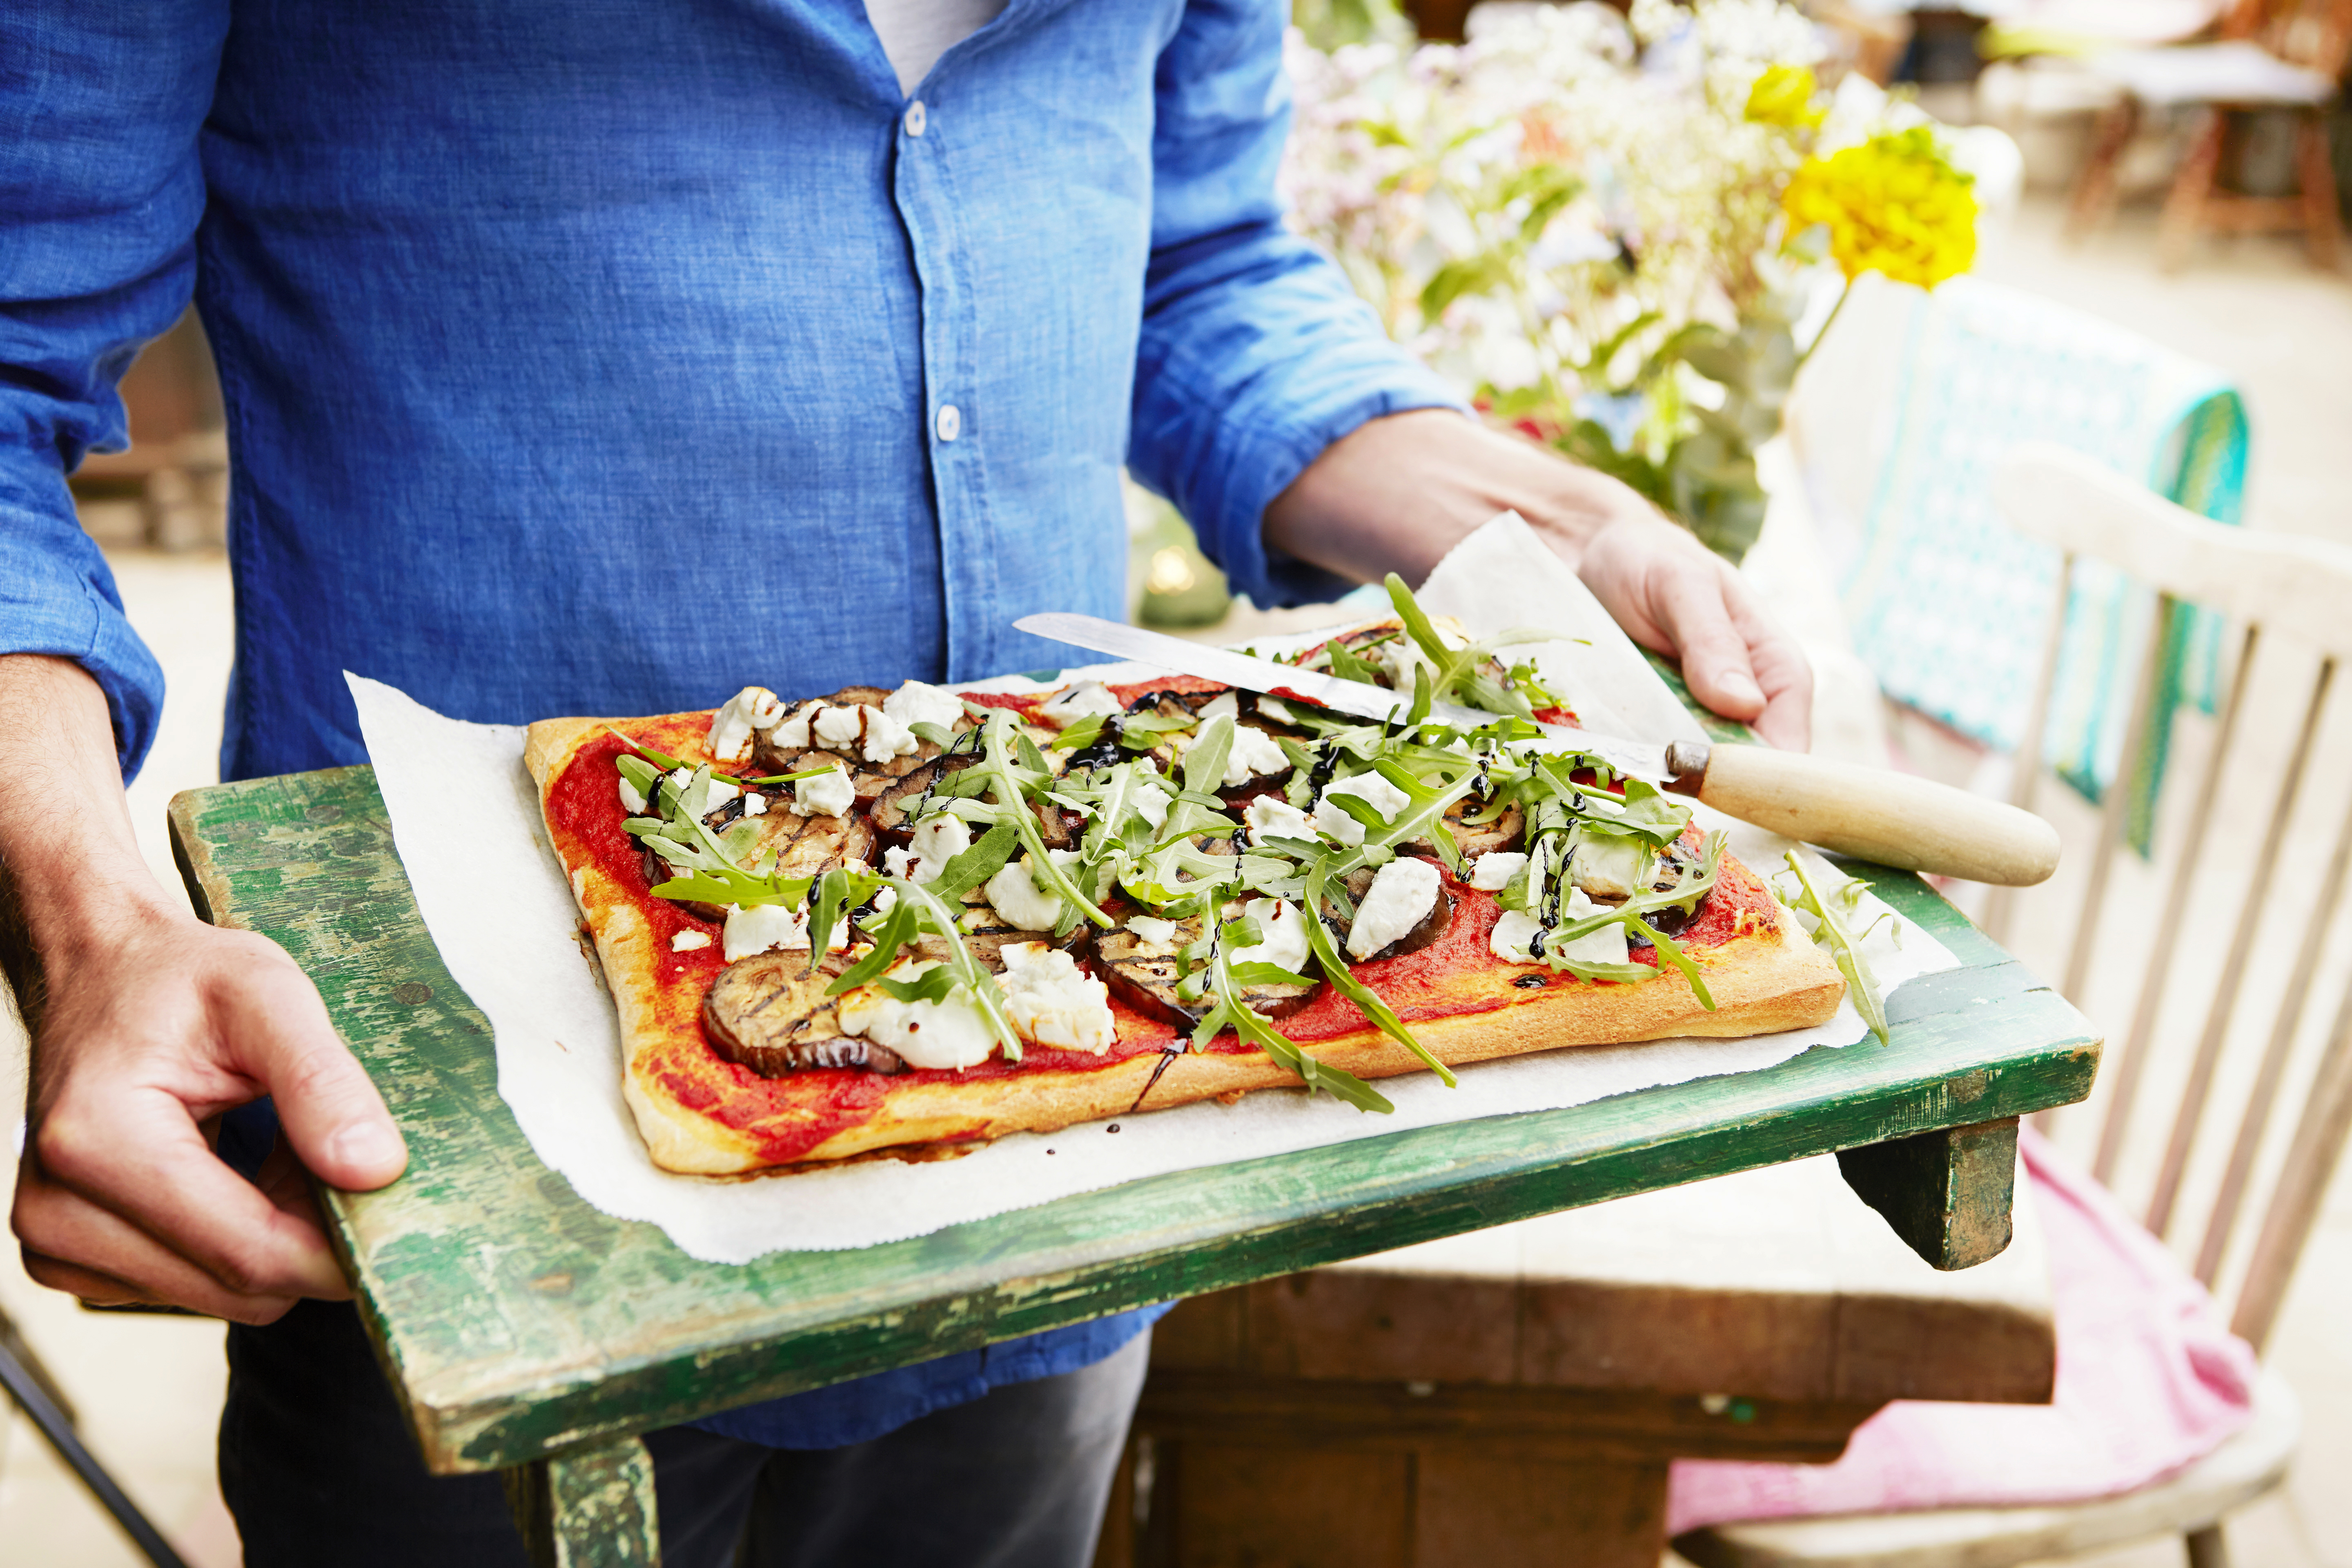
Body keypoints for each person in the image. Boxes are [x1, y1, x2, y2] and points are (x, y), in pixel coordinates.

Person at [0, 0, 1811, 1563]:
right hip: (451, 1147)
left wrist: (1566, 527)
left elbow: (1200, 264)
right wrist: (88, 929)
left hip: (1084, 1130)